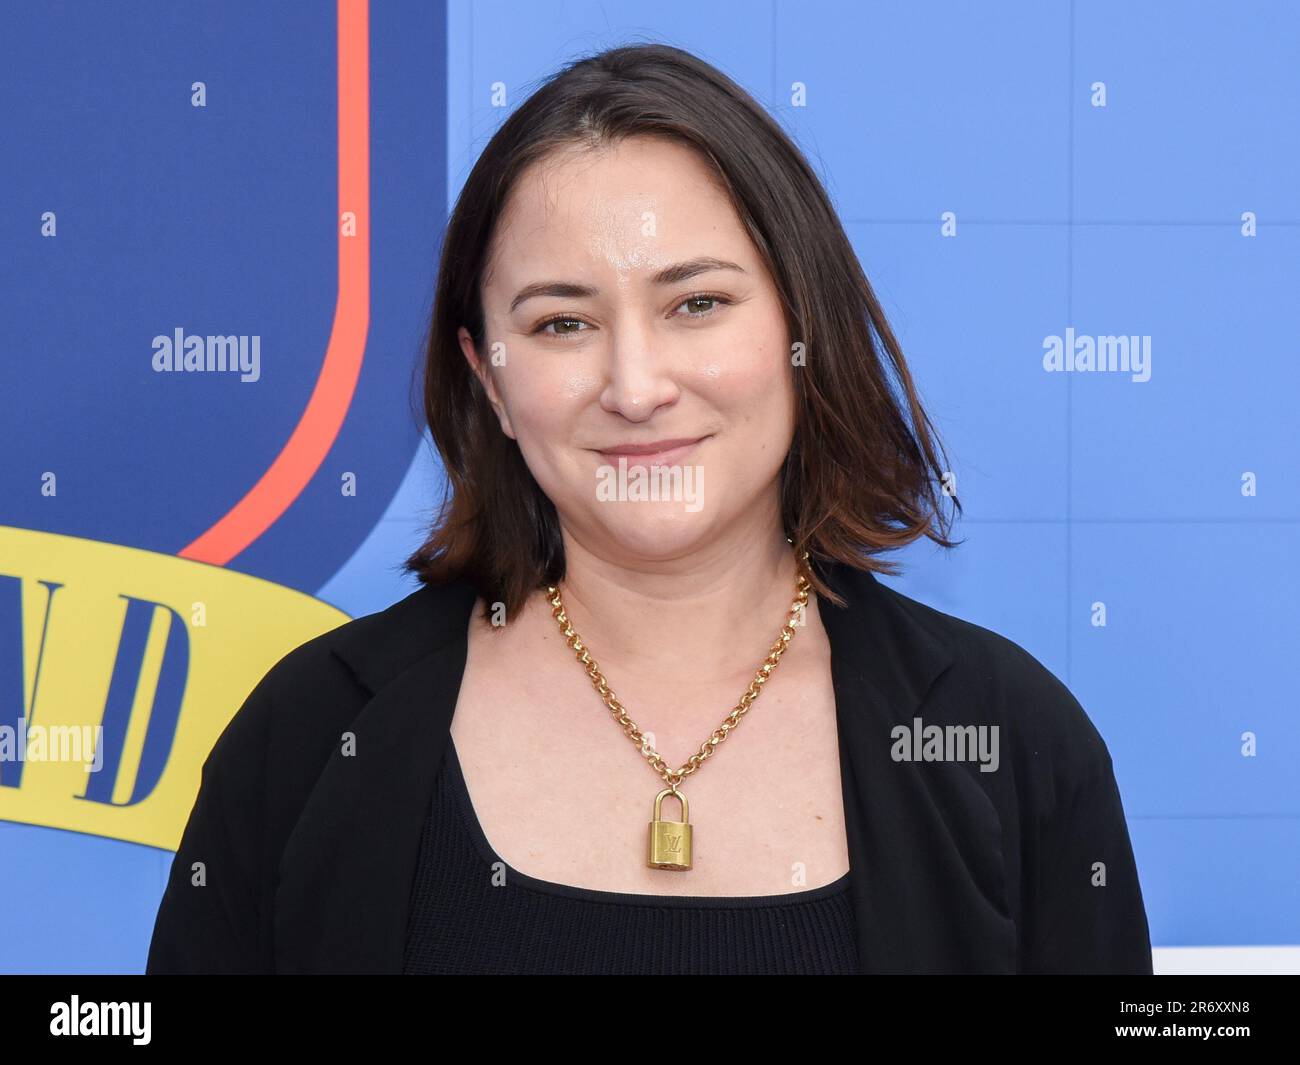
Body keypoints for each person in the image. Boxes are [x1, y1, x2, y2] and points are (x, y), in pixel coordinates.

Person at [147, 43, 1152, 974]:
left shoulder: (1007, 743)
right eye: (562, 322)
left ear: (804, 325)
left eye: (696, 305)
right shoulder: (312, 735)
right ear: (487, 380)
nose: (634, 385)